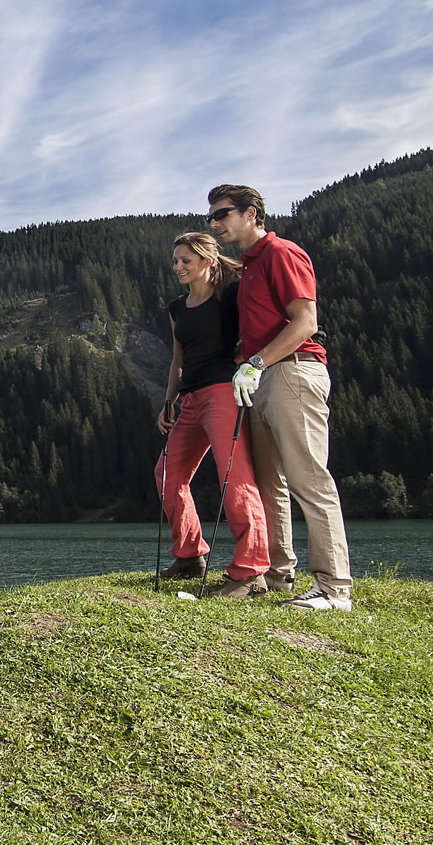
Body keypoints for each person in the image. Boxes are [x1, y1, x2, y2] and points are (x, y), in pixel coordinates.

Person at [206, 184, 353, 610]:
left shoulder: (282, 253)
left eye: (223, 214)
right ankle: (278, 574)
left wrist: (256, 362)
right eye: (211, 217)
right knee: (271, 483)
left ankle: (333, 588)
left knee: (310, 479)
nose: (215, 223)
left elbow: (305, 322)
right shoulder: (250, 266)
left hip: (293, 372)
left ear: (252, 213)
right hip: (263, 378)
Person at [154, 231, 270, 597]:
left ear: (207, 261)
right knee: (167, 473)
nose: (178, 267)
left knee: (234, 477)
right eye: (176, 261)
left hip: (223, 393)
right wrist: (169, 402)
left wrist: (243, 365)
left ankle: (251, 571)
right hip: (189, 399)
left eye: (186, 260)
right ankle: (189, 555)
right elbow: (178, 360)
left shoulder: (230, 296)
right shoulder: (177, 308)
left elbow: (255, 332)